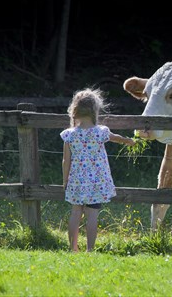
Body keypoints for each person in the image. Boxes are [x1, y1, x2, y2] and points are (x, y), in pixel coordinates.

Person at [61, 87, 136, 252]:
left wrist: (65, 180)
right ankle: (90, 249)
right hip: (97, 182)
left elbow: (66, 160)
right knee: (92, 215)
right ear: (95, 110)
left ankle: (73, 249)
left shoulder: (69, 134)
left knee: (75, 212)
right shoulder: (101, 132)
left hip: (76, 180)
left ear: (75, 110)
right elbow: (118, 139)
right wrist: (130, 141)